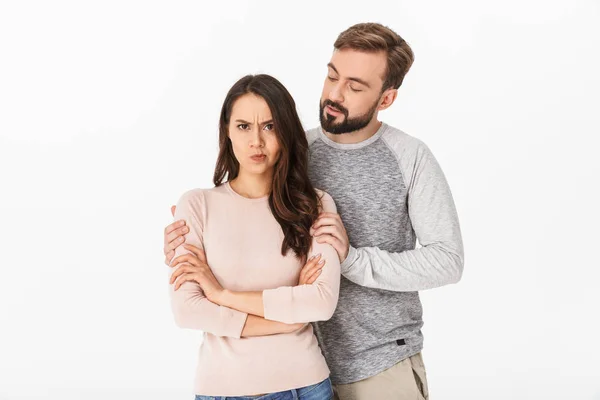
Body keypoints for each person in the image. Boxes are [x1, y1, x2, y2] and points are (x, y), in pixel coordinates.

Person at [164, 23, 464, 400]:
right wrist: (187, 242)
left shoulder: (409, 157)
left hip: (378, 364)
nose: (334, 94)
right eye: (331, 75)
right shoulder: (293, 152)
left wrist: (351, 259)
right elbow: (238, 221)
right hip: (304, 364)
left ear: (386, 99)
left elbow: (448, 261)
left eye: (355, 87)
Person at [168, 73, 340, 399]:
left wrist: (220, 295)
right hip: (225, 388)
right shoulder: (197, 204)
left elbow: (320, 302)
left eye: (270, 126)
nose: (256, 141)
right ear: (227, 132)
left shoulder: (315, 205)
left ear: (286, 132)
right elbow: (188, 309)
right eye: (244, 126)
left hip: (307, 385)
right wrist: (288, 320)